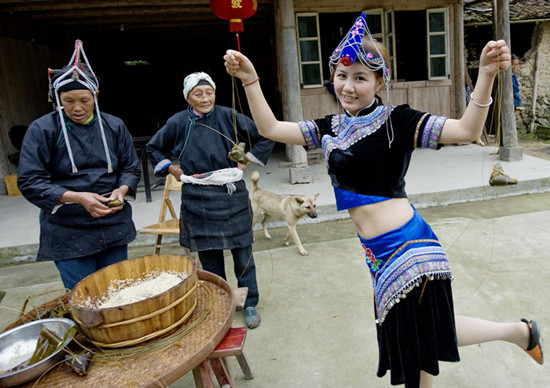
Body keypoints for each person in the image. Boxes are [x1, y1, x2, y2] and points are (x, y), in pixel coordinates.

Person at [224, 12, 543, 387]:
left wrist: (486, 75)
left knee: (415, 339)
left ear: (379, 81)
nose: (348, 86)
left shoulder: (399, 121)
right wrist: (250, 80)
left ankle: (520, 333)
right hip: (376, 253)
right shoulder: (328, 128)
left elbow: (466, 129)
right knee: (420, 336)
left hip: (409, 246)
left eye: (361, 77)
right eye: (342, 76)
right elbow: (271, 128)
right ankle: (521, 333)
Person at [146, 72, 274, 329]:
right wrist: (172, 169)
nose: (205, 98)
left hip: (230, 193)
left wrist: (244, 160)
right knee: (210, 258)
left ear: (215, 93)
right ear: (187, 96)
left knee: (243, 254)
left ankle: (249, 303)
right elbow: (153, 147)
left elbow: (264, 134)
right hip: (198, 195)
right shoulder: (178, 121)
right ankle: (220, 302)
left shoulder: (229, 115)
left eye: (209, 92)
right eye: (198, 94)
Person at [17, 40, 141, 290]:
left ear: (95, 95)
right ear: (57, 97)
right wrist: (77, 197)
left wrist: (122, 190)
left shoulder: (113, 125)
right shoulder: (43, 129)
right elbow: (30, 181)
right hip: (67, 228)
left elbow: (130, 167)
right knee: (83, 295)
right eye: (68, 100)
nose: (77, 108)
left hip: (113, 221)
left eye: (84, 99)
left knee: (117, 291)